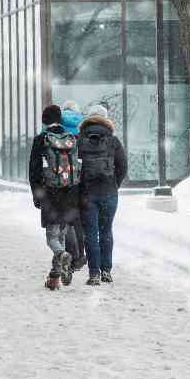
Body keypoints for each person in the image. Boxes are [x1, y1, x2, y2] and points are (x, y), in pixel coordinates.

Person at [29, 105, 82, 290]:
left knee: (52, 238)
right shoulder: (71, 138)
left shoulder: (41, 139)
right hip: (69, 191)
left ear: (44, 120)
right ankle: (55, 277)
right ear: (60, 119)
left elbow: (34, 170)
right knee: (62, 232)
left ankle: (62, 255)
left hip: (50, 192)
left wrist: (37, 194)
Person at [78, 104, 126, 286]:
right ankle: (107, 271)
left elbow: (76, 168)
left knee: (90, 233)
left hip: (87, 193)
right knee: (106, 231)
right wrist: (114, 184)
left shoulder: (79, 140)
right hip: (109, 192)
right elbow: (122, 167)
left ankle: (94, 273)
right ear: (106, 119)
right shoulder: (113, 141)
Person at [60, 101, 87, 272]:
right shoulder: (82, 126)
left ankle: (68, 253)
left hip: (61, 179)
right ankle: (79, 255)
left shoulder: (58, 128)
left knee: (64, 220)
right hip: (79, 180)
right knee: (78, 220)